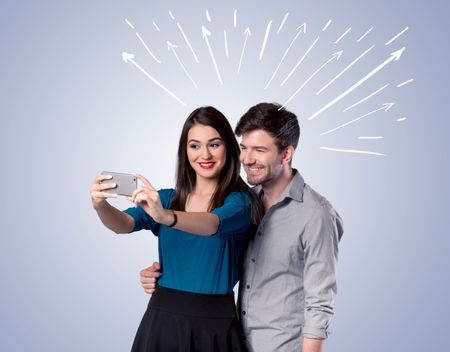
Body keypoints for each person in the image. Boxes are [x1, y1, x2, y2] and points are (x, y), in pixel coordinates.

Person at [140, 103, 344, 352]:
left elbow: (320, 303)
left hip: (281, 346)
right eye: (244, 148)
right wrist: (162, 272)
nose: (247, 159)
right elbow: (217, 257)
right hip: (234, 339)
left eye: (259, 150)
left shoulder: (315, 214)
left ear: (286, 154)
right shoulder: (244, 202)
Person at [90, 106, 261, 352]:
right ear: (185, 151)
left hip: (214, 326)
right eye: (194, 145)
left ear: (229, 148)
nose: (205, 154)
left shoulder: (241, 202)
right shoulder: (166, 199)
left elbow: (213, 223)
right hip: (161, 321)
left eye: (214, 144)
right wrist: (100, 205)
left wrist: (165, 216)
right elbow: (124, 225)